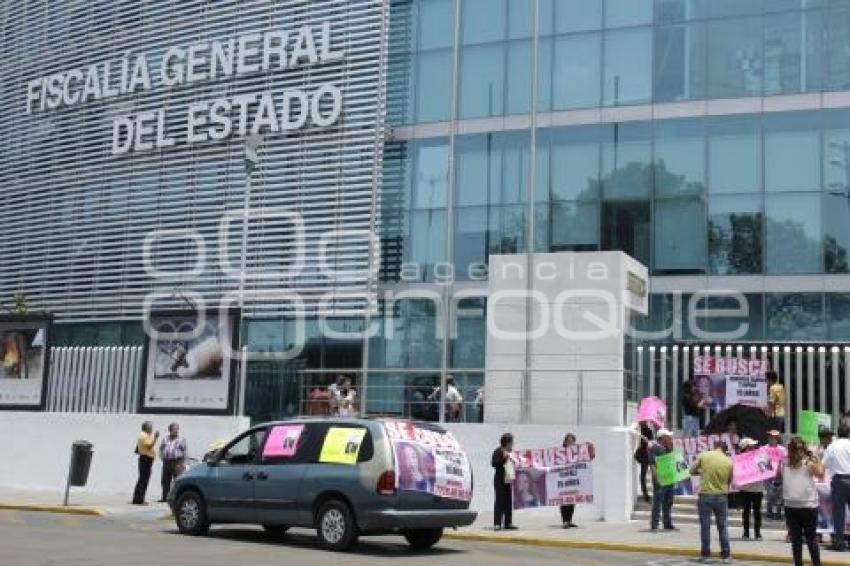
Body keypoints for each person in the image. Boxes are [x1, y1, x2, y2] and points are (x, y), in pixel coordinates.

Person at [783, 436, 824, 566]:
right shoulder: (805, 463)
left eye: (799, 449)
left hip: (798, 505)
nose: (799, 451)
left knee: (802, 539)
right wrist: (817, 459)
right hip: (801, 505)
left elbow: (820, 475)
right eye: (798, 449)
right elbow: (821, 474)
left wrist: (814, 459)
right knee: (805, 540)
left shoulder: (787, 463)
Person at [691, 441, 734, 563]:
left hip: (705, 496)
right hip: (721, 496)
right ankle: (726, 555)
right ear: (724, 449)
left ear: (715, 446)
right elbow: (729, 480)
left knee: (705, 527)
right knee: (723, 526)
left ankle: (706, 555)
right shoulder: (729, 461)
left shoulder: (704, 456)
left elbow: (691, 470)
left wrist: (702, 472)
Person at [823, 423, 850, 552]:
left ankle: (839, 542)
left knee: (838, 513)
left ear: (837, 434)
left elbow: (825, 464)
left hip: (839, 480)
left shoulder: (832, 446)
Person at [649, 428, 678, 532]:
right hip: (660, 480)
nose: (670, 438)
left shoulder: (668, 448)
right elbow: (652, 464)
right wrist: (656, 477)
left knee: (668, 502)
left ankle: (667, 523)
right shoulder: (655, 448)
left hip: (669, 479)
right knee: (658, 503)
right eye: (668, 437)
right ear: (662, 438)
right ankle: (654, 524)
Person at [737, 438, 764, 541]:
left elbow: (767, 469)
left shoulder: (760, 456)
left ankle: (758, 533)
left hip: (758, 488)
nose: (753, 447)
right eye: (750, 446)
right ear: (745, 448)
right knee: (746, 511)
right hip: (745, 489)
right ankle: (746, 532)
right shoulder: (739, 458)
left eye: (753, 446)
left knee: (757, 511)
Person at [492, 433, 517, 531]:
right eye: (511, 442)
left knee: (508, 501)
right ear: (506, 442)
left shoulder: (511, 452)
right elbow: (494, 463)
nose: (512, 444)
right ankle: (497, 523)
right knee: (499, 501)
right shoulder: (498, 451)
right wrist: (504, 459)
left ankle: (508, 522)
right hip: (499, 479)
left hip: (508, 479)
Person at [158, 422, 187, 502]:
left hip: (177, 462)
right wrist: (161, 457)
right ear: (170, 430)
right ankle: (165, 497)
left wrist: (183, 464)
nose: (176, 431)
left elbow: (185, 452)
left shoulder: (181, 439)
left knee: (177, 480)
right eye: (175, 429)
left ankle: (176, 498)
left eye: (177, 429)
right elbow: (161, 448)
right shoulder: (165, 439)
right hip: (167, 462)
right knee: (165, 480)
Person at [132, 421, 158, 505]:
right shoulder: (145, 435)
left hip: (144, 458)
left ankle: (137, 498)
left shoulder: (142, 435)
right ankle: (139, 499)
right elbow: (149, 446)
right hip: (146, 459)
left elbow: (137, 449)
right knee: (144, 479)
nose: (152, 428)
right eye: (150, 427)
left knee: (142, 479)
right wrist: (155, 438)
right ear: (146, 428)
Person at [765, 430, 787, 521]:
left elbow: (785, 461)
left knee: (780, 495)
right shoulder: (764, 448)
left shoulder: (782, 449)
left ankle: (778, 512)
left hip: (779, 475)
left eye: (775, 437)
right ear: (768, 438)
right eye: (771, 437)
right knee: (770, 494)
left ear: (778, 438)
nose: (773, 439)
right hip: (768, 475)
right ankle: (769, 512)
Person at [560, 433, 578, 528]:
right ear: (565, 442)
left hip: (572, 480)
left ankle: (569, 520)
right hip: (563, 480)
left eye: (572, 441)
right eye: (569, 441)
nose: (571, 443)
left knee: (572, 500)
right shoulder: (560, 452)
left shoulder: (576, 453)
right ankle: (565, 521)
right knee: (564, 500)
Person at [634, 421, 654, 503]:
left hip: (647, 455)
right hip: (643, 456)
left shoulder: (648, 430)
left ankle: (646, 495)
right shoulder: (638, 429)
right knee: (643, 476)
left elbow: (650, 442)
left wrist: (647, 441)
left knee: (645, 475)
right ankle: (645, 495)